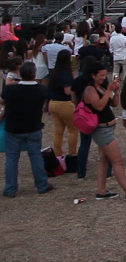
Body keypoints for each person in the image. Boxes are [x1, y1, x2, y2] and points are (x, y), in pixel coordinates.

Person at [82, 62, 126, 201]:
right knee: (117, 161)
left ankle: (102, 190)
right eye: (101, 75)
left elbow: (114, 103)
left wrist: (115, 90)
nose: (104, 78)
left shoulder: (101, 87)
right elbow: (98, 106)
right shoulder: (90, 90)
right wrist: (109, 89)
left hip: (107, 127)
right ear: (93, 75)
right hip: (101, 128)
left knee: (104, 160)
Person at [2, 61, 53, 197]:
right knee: (35, 156)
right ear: (34, 74)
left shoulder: (10, 90)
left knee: (12, 158)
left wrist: (10, 79)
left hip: (13, 127)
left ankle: (10, 188)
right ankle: (41, 184)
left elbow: (3, 98)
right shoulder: (41, 89)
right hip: (33, 126)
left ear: (20, 73)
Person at [48, 50, 78, 157]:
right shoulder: (65, 73)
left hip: (53, 103)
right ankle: (72, 154)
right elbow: (68, 91)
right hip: (64, 103)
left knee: (58, 131)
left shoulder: (54, 72)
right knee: (73, 130)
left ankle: (57, 154)